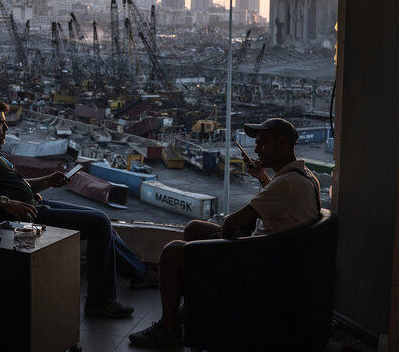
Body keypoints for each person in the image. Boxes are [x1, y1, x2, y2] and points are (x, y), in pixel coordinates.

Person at [0, 98, 158, 318]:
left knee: (101, 219)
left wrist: (47, 180)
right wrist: (6, 203)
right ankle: (101, 300)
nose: (7, 127)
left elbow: (20, 188)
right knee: (99, 223)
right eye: (1, 123)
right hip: (15, 220)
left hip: (31, 207)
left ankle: (139, 274)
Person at [128, 118, 321, 347]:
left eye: (262, 144)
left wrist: (215, 243)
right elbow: (279, 203)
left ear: (281, 143)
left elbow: (232, 223)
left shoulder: (285, 184)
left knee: (172, 253)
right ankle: (192, 307)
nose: (256, 150)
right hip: (273, 255)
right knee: (193, 229)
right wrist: (262, 178)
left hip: (257, 267)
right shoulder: (305, 176)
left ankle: (169, 328)